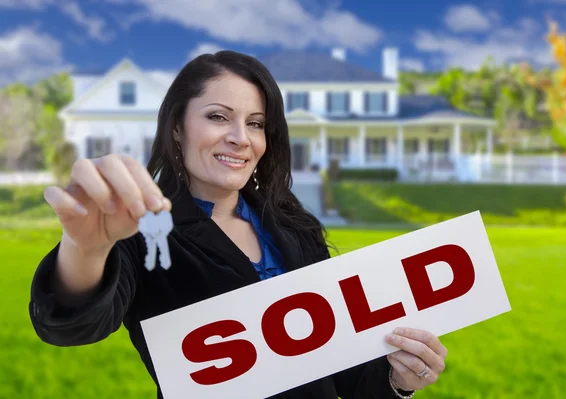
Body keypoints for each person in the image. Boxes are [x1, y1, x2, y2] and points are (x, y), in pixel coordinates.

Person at [29, 50, 448, 399]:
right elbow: (71, 326)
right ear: (177, 126)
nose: (240, 138)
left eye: (255, 123)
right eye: (217, 116)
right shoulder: (140, 231)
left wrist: (399, 380)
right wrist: (86, 247)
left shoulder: (293, 226)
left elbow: (342, 371)